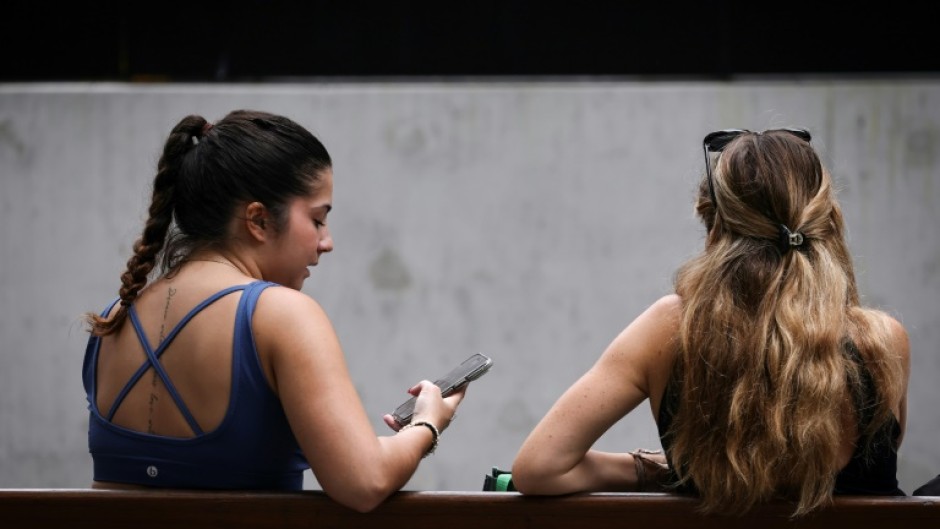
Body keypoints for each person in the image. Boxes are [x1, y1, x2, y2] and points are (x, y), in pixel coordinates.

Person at [511, 128, 911, 517]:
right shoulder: (882, 341)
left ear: (715, 229)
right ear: (826, 222)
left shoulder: (670, 329)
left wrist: (647, 469)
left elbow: (540, 468)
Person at [82, 110, 465, 512]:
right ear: (258, 220)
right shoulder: (281, 315)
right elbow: (364, 481)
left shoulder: (115, 318)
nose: (327, 241)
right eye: (317, 219)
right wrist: (428, 423)